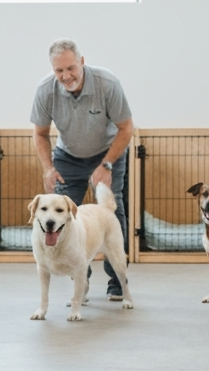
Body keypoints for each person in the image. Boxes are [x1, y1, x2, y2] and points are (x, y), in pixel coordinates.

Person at [31, 39, 134, 300]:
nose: (66, 76)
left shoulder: (107, 83)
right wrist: (48, 168)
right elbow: (40, 133)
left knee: (113, 208)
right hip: (68, 156)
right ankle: (81, 280)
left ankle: (116, 280)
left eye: (71, 68)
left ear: (82, 62)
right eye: (59, 71)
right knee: (65, 212)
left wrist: (107, 165)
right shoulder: (45, 90)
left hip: (108, 151)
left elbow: (126, 128)